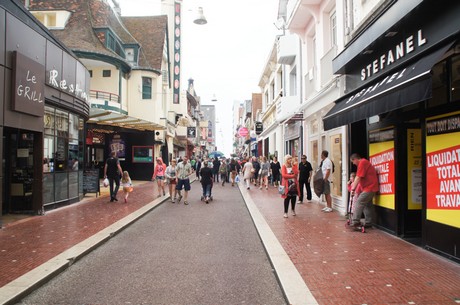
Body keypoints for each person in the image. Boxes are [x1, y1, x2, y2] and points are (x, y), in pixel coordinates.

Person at [349, 153, 379, 228]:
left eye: (353, 161)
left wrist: (353, 188)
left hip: (369, 188)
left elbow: (358, 177)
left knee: (359, 202)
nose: (353, 163)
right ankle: (369, 222)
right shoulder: (364, 163)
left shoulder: (362, 163)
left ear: (355, 159)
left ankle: (356, 221)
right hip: (370, 187)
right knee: (367, 205)